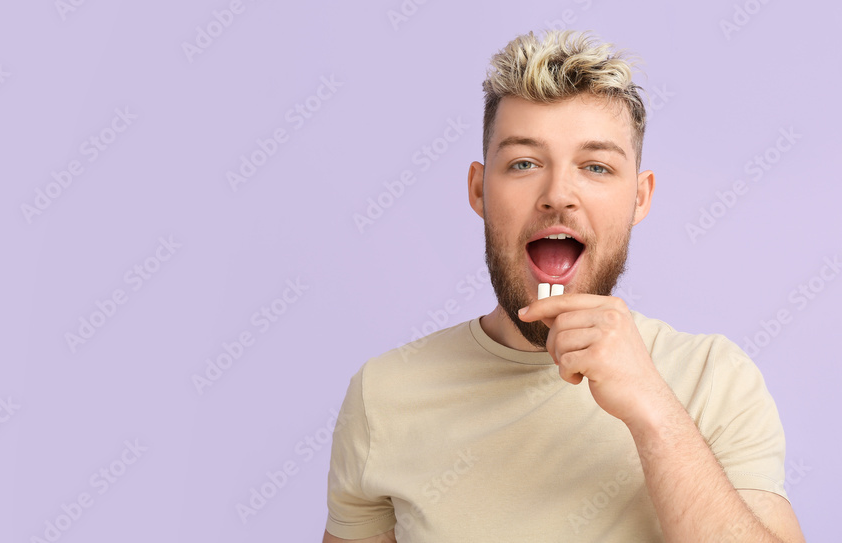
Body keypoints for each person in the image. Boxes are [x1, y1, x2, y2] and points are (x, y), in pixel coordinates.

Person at [321, 30, 805, 542]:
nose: (558, 195)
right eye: (524, 163)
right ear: (478, 190)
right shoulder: (384, 395)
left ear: (639, 199)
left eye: (596, 166)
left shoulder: (714, 380)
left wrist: (653, 411)